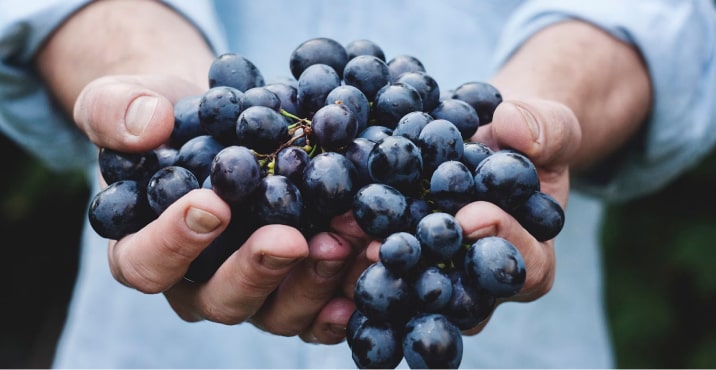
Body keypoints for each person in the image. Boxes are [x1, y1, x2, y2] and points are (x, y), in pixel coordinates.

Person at [2, 0, 715, 368]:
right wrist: (141, 82)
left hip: (500, 291)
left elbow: (664, 16)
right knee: (207, 219)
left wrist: (543, 106)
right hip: (155, 338)